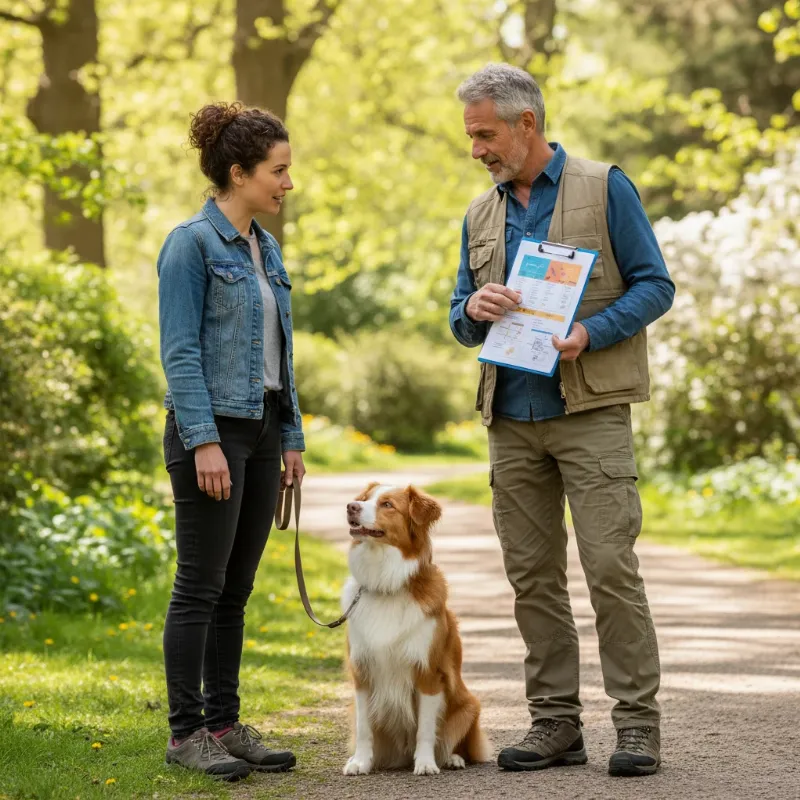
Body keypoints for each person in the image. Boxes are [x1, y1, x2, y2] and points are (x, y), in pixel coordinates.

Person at [449, 64, 675, 778]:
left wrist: (593, 332)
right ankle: (555, 725)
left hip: (590, 413)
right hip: (510, 417)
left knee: (611, 568)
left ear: (527, 124)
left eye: (485, 134)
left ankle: (637, 728)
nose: (477, 149)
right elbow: (460, 316)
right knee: (532, 578)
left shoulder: (605, 186)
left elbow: (656, 285)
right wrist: (472, 311)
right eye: (471, 137)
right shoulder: (479, 214)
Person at [157, 101, 305, 781]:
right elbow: (181, 353)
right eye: (278, 171)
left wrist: (292, 437)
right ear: (239, 172)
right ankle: (186, 733)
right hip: (210, 434)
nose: (288, 183)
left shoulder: (264, 247)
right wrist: (204, 441)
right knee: (200, 585)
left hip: (264, 428)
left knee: (236, 590)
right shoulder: (190, 244)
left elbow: (281, 351)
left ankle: (224, 722)